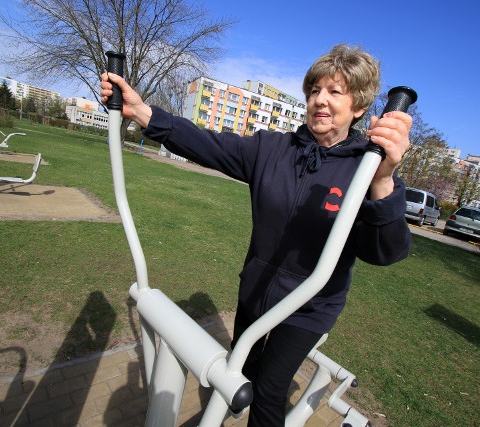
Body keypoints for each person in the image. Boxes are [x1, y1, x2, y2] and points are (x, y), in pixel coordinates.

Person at [101, 44, 413, 426]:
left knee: (268, 389)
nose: (320, 100)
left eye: (335, 92)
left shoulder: (366, 167)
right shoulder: (273, 150)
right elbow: (207, 143)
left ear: (359, 107)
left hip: (309, 308)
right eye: (315, 90)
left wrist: (383, 182)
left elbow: (385, 252)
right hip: (257, 287)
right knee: (241, 361)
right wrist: (142, 113)